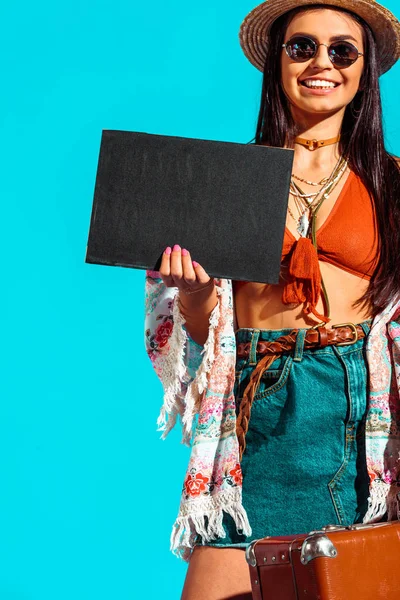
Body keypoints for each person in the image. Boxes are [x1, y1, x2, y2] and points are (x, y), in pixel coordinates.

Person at [144, 1, 400, 598]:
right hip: (259, 409)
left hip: (364, 419)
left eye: (342, 50)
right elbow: (207, 337)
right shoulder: (226, 182)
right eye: (302, 46)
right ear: (277, 63)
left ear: (364, 70)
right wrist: (197, 292)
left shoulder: (392, 185)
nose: (322, 63)